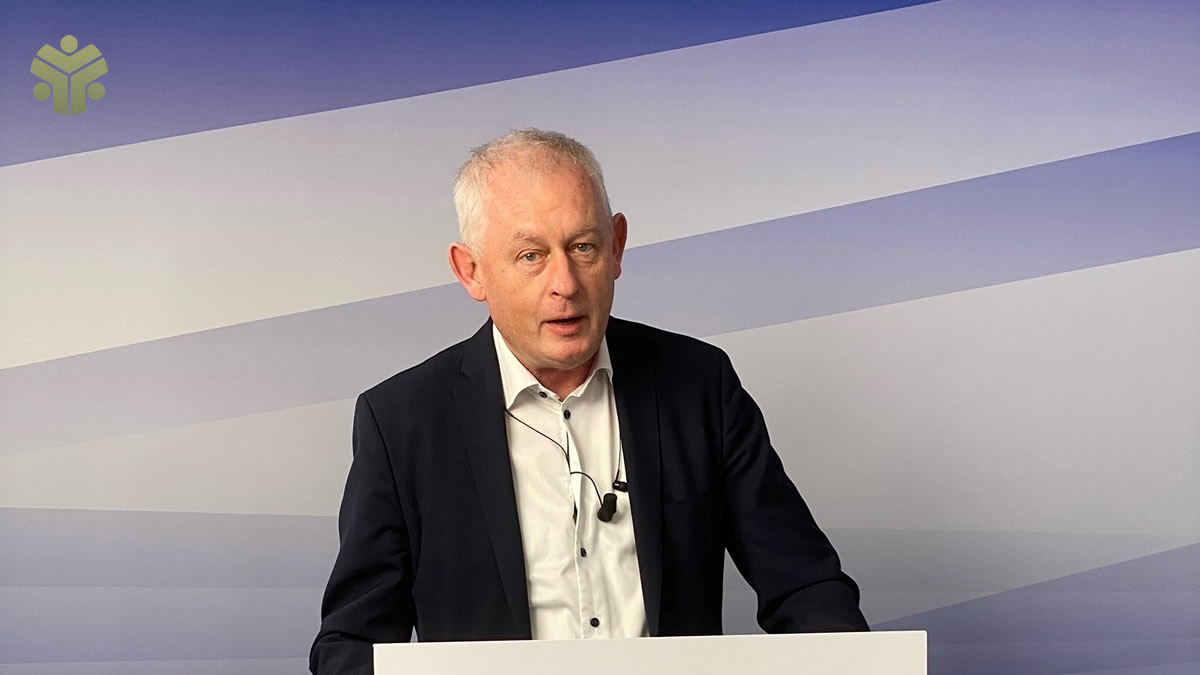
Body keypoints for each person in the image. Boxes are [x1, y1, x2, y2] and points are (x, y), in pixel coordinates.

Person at [310, 129, 868, 674]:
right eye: (531, 255)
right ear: (471, 271)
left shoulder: (700, 385)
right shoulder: (401, 422)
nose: (566, 283)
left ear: (617, 246)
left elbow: (806, 589)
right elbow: (350, 646)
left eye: (583, 247)